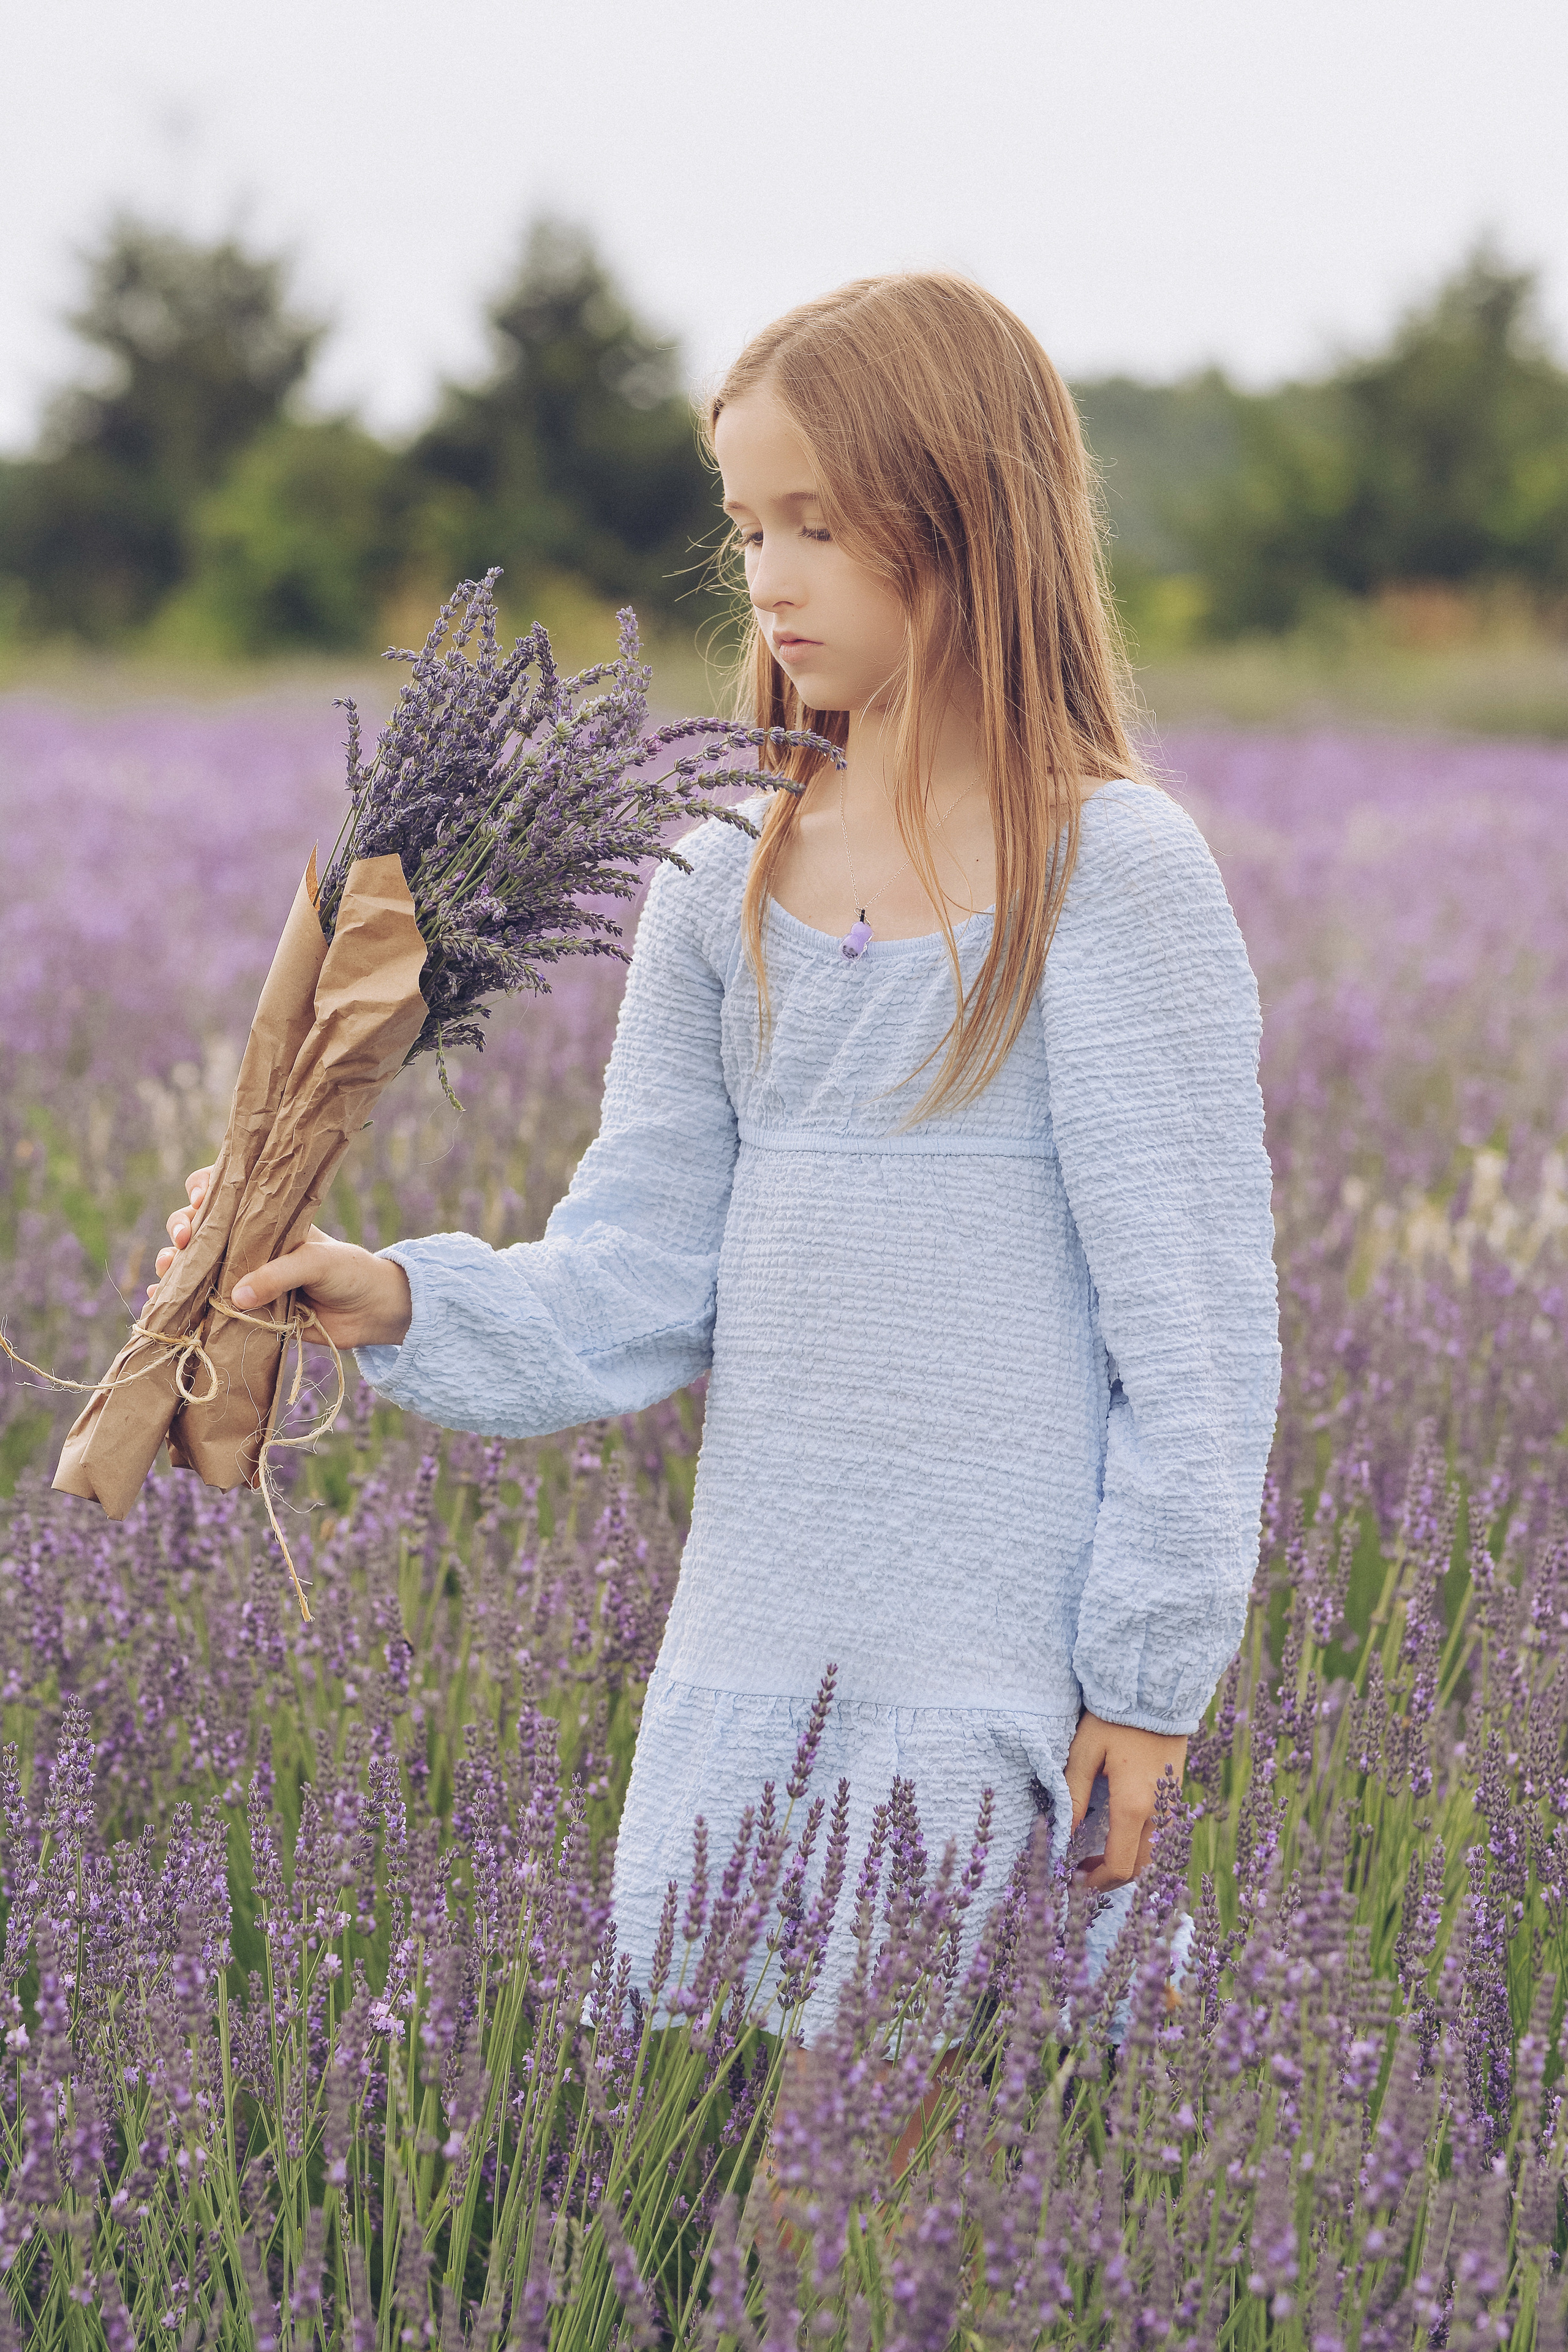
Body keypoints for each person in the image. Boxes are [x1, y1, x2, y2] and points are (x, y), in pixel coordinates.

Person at [154, 273, 1280, 2025]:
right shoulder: (713, 878)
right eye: (749, 525)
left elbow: (1193, 1338)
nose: (768, 576)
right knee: (736, 2132)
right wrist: (381, 1295)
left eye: (822, 524)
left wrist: (1149, 1675)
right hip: (759, 1651)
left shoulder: (1113, 875)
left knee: (859, 2212)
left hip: (986, 1658)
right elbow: (638, 1274)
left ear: (974, 515)